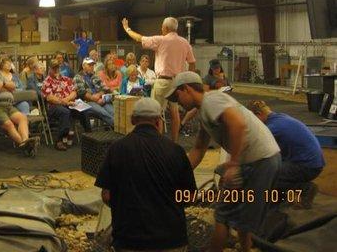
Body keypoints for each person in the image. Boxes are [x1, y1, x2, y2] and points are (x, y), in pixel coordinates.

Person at [166, 72, 280, 252]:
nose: (177, 102)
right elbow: (198, 149)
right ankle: (245, 248)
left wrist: (233, 164)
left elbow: (238, 124)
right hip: (256, 159)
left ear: (186, 89)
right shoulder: (205, 111)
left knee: (224, 213)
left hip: (260, 160)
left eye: (177, 96)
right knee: (237, 215)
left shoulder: (211, 101)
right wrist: (176, 175)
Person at [95, 98, 196, 252]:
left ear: (133, 120)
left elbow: (106, 196)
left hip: (128, 241)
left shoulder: (116, 149)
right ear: (158, 121)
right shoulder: (176, 151)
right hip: (171, 240)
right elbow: (189, 196)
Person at [122, 17, 196, 143]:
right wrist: (187, 80)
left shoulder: (161, 40)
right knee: (174, 113)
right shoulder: (184, 42)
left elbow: (139, 38)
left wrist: (126, 28)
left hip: (162, 82)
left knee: (157, 113)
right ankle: (175, 143)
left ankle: (158, 142)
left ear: (166, 28)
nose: (161, 29)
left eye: (162, 27)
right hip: (177, 82)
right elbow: (192, 63)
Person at [247, 100, 325, 207]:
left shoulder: (272, 128)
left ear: (258, 114)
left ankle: (303, 189)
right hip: (312, 162)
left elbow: (251, 147)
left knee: (264, 174)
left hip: (307, 166)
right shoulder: (280, 117)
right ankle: (285, 195)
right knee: (269, 166)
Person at [0, 54, 38, 155]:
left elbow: (13, 86)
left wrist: (4, 84)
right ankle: (25, 144)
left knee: (22, 118)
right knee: (8, 124)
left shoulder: (0, 76)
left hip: (8, 105)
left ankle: (26, 142)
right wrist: (5, 86)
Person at [42, 59, 80, 151]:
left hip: (67, 103)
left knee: (84, 110)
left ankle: (88, 135)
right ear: (49, 69)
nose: (56, 70)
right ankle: (59, 140)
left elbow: (74, 92)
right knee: (65, 112)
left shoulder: (66, 79)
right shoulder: (47, 82)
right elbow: (50, 98)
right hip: (53, 107)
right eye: (53, 68)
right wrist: (65, 102)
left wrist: (67, 100)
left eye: (57, 68)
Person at [74, 57, 114, 126]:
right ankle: (118, 127)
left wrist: (99, 96)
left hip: (100, 99)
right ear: (83, 66)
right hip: (86, 102)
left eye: (93, 65)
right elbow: (82, 93)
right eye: (89, 65)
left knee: (114, 112)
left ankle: (119, 129)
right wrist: (95, 99)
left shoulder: (95, 76)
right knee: (104, 113)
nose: (92, 67)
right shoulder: (78, 77)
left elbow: (104, 89)